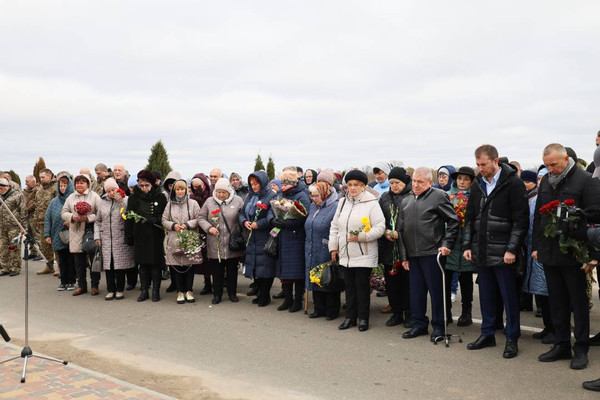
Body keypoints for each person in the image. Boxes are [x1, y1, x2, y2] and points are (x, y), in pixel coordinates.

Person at [532, 143, 600, 370]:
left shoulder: (585, 180)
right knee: (557, 302)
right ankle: (561, 344)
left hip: (575, 254)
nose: (550, 169)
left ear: (566, 159)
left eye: (554, 164)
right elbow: (539, 219)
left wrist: (591, 255)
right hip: (550, 254)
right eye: (547, 165)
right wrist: (537, 247)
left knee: (578, 304)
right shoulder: (545, 184)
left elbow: (595, 217)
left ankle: (580, 348)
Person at [463, 144, 529, 359]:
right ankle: (487, 334)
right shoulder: (478, 185)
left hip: (504, 254)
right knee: (487, 296)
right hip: (481, 251)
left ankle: (512, 338)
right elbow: (470, 219)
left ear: (495, 160)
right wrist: (467, 246)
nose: (480, 168)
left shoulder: (513, 184)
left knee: (509, 298)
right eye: (477, 164)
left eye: (483, 164)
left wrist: (512, 249)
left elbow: (521, 222)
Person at [398, 167, 458, 341]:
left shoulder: (438, 196)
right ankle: (419, 324)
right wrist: (404, 257)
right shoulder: (406, 200)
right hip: (413, 255)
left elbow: (453, 221)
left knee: (437, 292)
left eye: (420, 182)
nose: (415, 185)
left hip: (433, 253)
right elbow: (400, 230)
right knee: (416, 293)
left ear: (429, 182)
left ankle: (439, 326)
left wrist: (446, 244)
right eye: (414, 181)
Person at [329, 170, 385, 332]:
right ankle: (350, 317)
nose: (352, 188)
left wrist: (362, 236)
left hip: (363, 253)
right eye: (350, 185)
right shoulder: (342, 202)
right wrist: (334, 247)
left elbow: (380, 227)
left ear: (363, 187)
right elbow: (335, 226)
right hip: (345, 253)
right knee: (349, 287)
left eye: (356, 185)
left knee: (361, 288)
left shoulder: (371, 203)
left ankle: (363, 319)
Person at [520, 169, 554, 344]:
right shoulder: (534, 200)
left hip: (545, 253)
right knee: (541, 293)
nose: (541, 182)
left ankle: (554, 330)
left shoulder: (549, 199)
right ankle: (548, 327)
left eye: (543, 178)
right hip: (534, 253)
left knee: (550, 294)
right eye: (539, 178)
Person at [270, 170, 310, 312]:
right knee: (285, 271)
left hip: (296, 238)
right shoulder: (280, 195)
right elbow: (272, 208)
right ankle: (287, 299)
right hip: (282, 237)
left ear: (293, 183)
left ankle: (297, 300)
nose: (283, 185)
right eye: (282, 183)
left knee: (297, 272)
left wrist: (287, 224)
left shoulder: (302, 195)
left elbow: (304, 215)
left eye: (286, 183)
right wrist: (273, 219)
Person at [198, 178, 245, 304]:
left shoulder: (238, 201)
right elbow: (201, 217)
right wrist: (209, 228)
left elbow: (243, 217)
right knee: (216, 271)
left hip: (232, 242)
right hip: (215, 242)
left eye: (223, 192)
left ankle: (232, 293)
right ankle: (217, 295)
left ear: (229, 191)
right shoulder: (209, 201)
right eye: (218, 192)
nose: (221, 195)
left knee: (232, 271)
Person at [124, 170, 167, 302]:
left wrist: (158, 218)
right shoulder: (133, 198)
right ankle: (144, 290)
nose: (144, 188)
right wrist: (129, 236)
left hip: (155, 235)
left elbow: (166, 215)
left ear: (152, 184)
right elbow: (129, 218)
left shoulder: (160, 197)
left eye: (146, 185)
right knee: (142, 265)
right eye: (141, 185)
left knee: (155, 265)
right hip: (140, 235)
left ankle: (155, 291)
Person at [378, 167, 413, 327]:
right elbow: (379, 219)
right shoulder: (384, 197)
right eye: (391, 182)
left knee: (408, 284)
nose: (394, 185)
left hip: (408, 247)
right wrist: (385, 231)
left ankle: (409, 314)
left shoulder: (413, 196)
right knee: (392, 284)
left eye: (397, 182)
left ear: (404, 182)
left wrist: (402, 233)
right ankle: (396, 313)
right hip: (389, 247)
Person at [445, 166, 477, 327]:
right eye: (459, 179)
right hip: (450, 242)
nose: (462, 182)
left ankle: (466, 313)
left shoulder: (476, 197)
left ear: (472, 182)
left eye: (466, 179)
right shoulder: (448, 196)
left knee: (466, 279)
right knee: (447, 277)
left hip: (467, 243)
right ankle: (446, 312)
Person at [93, 178, 134, 300]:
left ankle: (120, 290)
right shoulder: (102, 202)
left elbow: (129, 215)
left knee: (120, 266)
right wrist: (97, 236)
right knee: (108, 266)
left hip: (120, 237)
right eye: (109, 190)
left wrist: (120, 201)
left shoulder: (125, 200)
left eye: (113, 189)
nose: (111, 192)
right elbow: (97, 221)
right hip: (105, 238)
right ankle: (110, 290)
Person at [240, 171, 277, 306]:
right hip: (251, 236)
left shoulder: (272, 195)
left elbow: (272, 216)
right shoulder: (250, 196)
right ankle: (260, 293)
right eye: (252, 184)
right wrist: (244, 221)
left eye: (256, 184)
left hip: (265, 236)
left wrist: (259, 224)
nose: (254, 186)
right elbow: (243, 212)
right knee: (255, 267)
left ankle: (265, 295)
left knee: (265, 267)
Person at [61, 174, 102, 295]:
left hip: (91, 230)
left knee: (94, 261)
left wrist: (87, 218)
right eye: (77, 183)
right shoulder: (71, 197)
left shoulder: (94, 196)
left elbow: (100, 213)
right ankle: (82, 286)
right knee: (79, 263)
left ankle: (95, 285)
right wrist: (72, 217)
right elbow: (63, 212)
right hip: (76, 231)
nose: (79, 185)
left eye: (82, 182)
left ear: (88, 184)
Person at [305, 181, 340, 320]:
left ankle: (332, 309)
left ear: (325, 194)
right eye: (312, 196)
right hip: (312, 246)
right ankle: (319, 308)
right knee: (315, 276)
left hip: (327, 246)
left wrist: (333, 246)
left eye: (316, 195)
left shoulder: (335, 206)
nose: (314, 199)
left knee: (328, 277)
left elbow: (336, 228)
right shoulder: (313, 206)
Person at [163, 179, 202, 304]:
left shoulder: (193, 203)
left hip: (189, 238)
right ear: (174, 191)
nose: (180, 191)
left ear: (186, 190)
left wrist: (187, 224)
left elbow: (199, 218)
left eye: (182, 189)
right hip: (174, 238)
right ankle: (180, 291)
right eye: (178, 189)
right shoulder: (169, 205)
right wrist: (173, 225)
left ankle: (189, 290)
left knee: (189, 265)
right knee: (176, 265)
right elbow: (164, 220)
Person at [44, 174, 75, 290]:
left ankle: (71, 281)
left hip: (71, 234)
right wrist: (47, 234)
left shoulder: (73, 199)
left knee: (71, 259)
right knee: (61, 259)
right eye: (61, 185)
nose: (63, 188)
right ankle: (63, 281)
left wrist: (70, 221)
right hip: (57, 234)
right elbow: (48, 218)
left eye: (65, 185)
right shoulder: (54, 202)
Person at [189, 173, 214, 296]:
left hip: (213, 230)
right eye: (194, 186)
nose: (197, 188)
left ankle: (218, 282)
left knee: (214, 258)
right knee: (204, 260)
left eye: (199, 186)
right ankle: (207, 283)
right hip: (198, 231)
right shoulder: (192, 197)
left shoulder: (211, 195)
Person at [0, 178, 26, 276]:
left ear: (7, 187)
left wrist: (23, 227)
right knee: (3, 248)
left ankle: (15, 267)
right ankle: (6, 267)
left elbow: (23, 211)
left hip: (14, 226)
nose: (0, 190)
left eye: (2, 188)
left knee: (14, 247)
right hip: (2, 226)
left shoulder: (17, 195)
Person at [34, 168, 57, 275]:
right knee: (45, 246)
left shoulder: (55, 189)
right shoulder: (39, 191)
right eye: (40, 177)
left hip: (54, 222)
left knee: (56, 244)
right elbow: (37, 206)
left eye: (43, 177)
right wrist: (36, 220)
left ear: (49, 176)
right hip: (42, 222)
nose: (41, 179)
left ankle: (60, 266)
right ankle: (49, 265)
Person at [23, 175, 41, 260]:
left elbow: (36, 202)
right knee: (29, 235)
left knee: (37, 234)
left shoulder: (38, 190)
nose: (25, 183)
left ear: (33, 182)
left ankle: (41, 253)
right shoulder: (26, 191)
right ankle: (33, 251)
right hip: (28, 216)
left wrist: (27, 208)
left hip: (35, 215)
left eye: (27, 181)